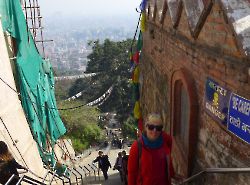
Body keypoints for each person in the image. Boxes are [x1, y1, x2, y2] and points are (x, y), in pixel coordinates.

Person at [127, 113, 175, 185]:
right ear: (146, 127)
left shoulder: (166, 140)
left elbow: (168, 162)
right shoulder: (137, 147)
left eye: (158, 128)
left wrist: (172, 175)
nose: (154, 131)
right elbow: (131, 173)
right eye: (151, 127)